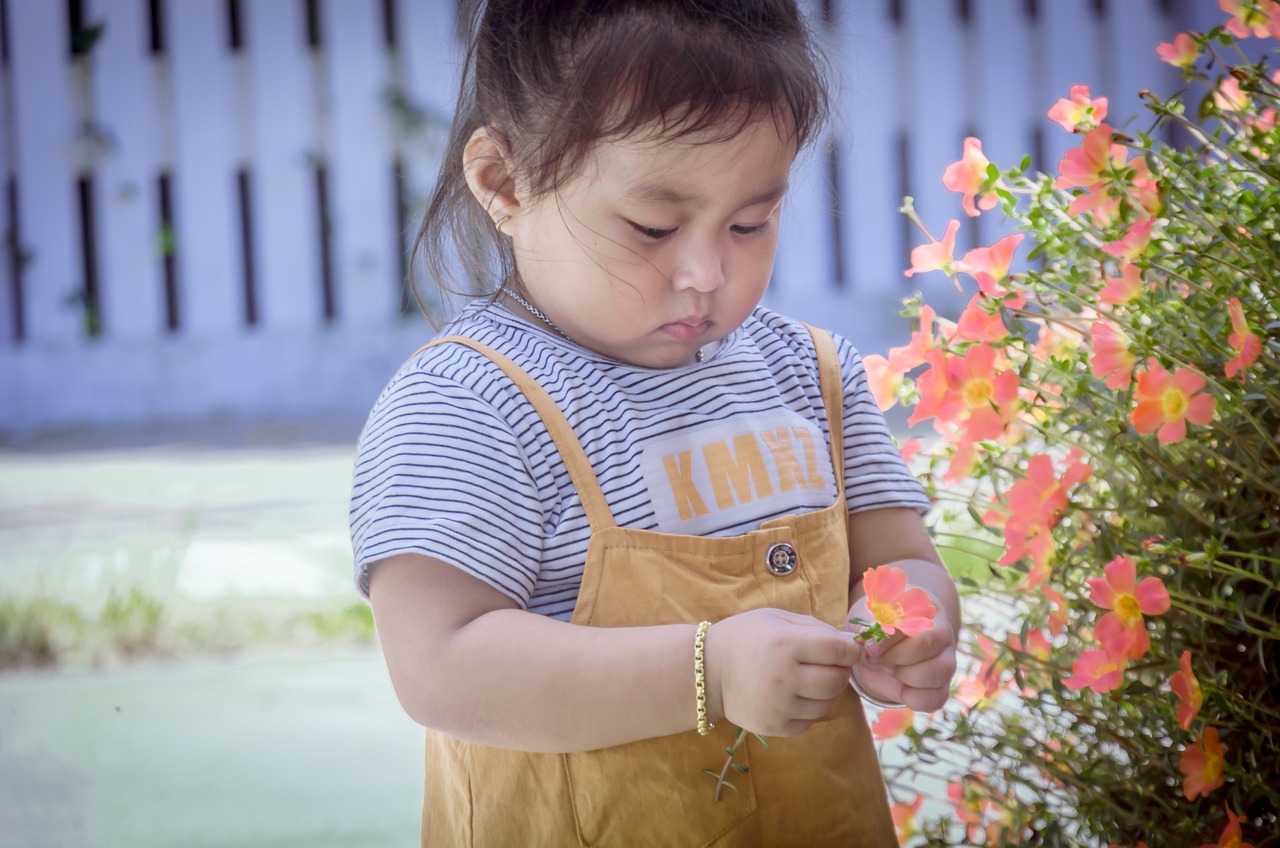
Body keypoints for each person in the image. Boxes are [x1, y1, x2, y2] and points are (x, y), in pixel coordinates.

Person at [350, 1, 960, 845]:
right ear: (505, 181)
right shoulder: (468, 404)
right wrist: (706, 672)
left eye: (751, 223)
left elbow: (898, 562)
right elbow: (439, 665)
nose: (706, 273)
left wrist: (909, 626)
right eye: (653, 227)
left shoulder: (810, 375)